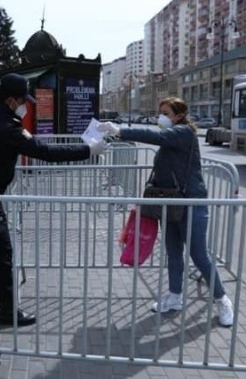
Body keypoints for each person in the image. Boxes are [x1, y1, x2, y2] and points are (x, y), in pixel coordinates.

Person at [0, 73, 107, 327]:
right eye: (23, 101)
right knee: (1, 252)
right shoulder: (8, 127)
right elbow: (45, 152)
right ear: (11, 101)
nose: (25, 106)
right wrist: (88, 150)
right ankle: (8, 312)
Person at [98, 97, 234, 327]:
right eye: (160, 112)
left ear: (180, 115)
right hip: (170, 202)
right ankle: (175, 297)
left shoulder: (184, 133)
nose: (161, 117)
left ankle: (222, 299)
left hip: (191, 201)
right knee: (173, 252)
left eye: (166, 113)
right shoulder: (174, 134)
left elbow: (158, 136)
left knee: (199, 255)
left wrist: (121, 130)